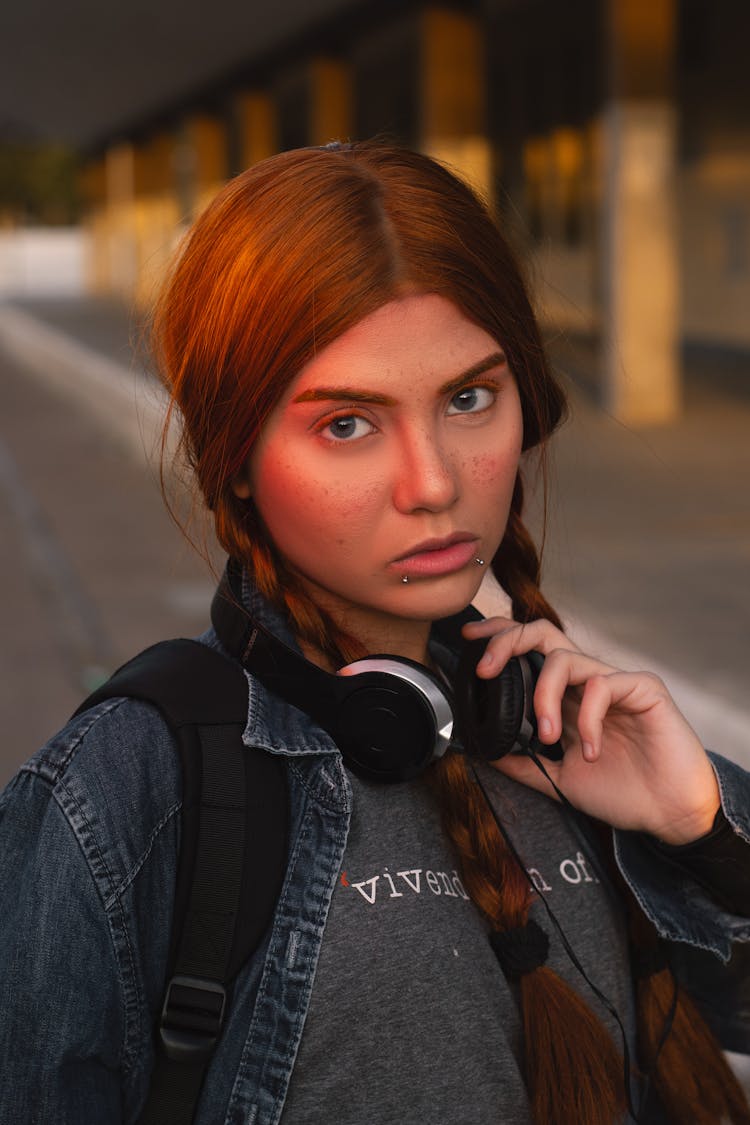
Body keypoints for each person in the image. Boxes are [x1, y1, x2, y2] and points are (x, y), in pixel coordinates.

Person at [0, 141, 748, 1125]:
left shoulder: (574, 728)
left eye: (469, 399)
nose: (434, 483)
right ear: (234, 456)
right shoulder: (131, 792)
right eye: (348, 423)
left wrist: (701, 833)